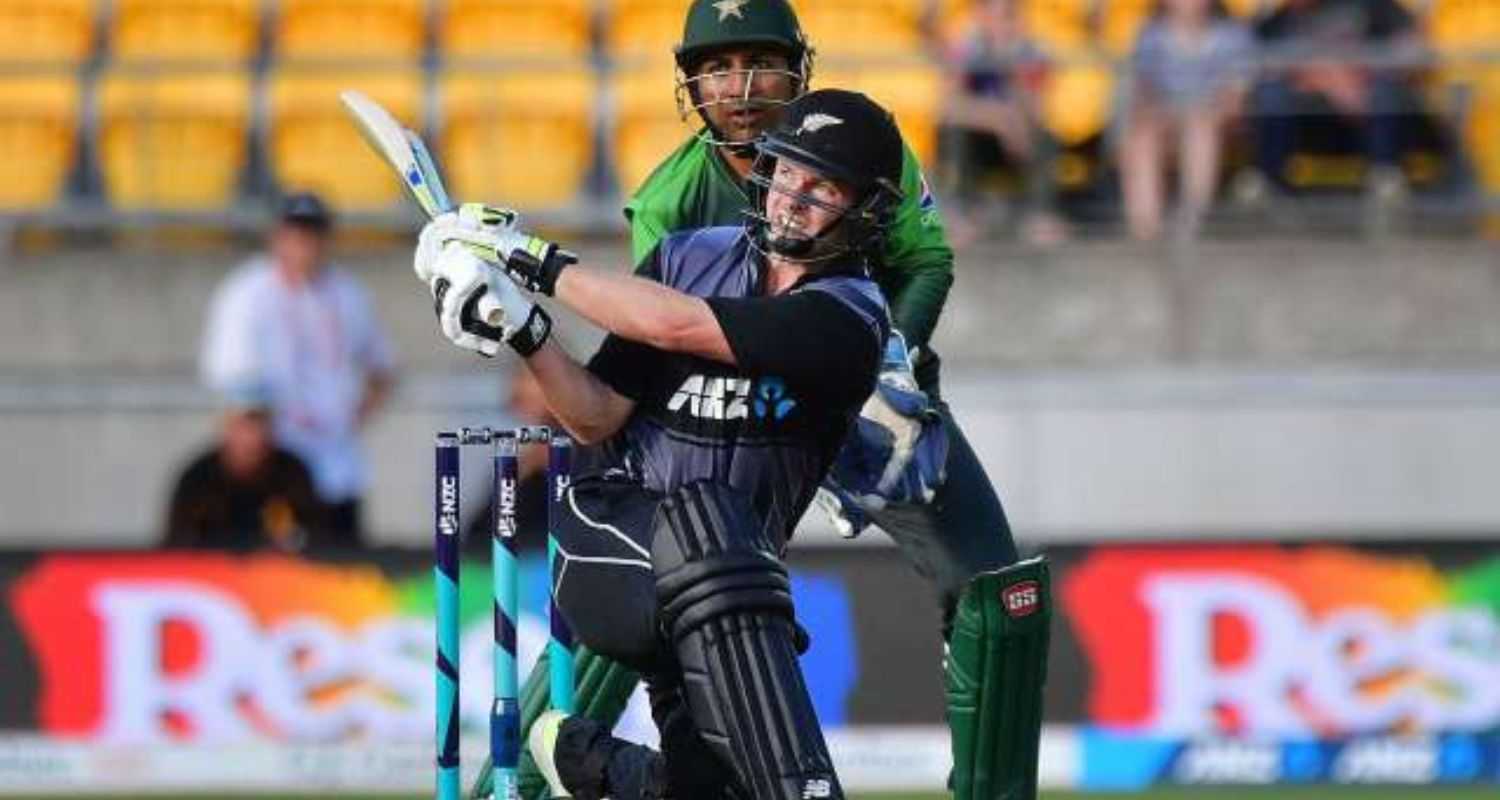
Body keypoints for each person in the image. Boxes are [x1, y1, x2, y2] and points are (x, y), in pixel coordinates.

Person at [476, 2, 1052, 799]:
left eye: (761, 64)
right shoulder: (671, 205)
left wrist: (895, 361)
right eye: (717, 68)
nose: (741, 87)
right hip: (723, 413)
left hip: (872, 388)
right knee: (692, 557)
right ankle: (549, 771)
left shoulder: (868, 144)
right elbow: (660, 344)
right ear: (690, 82)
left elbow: (925, 263)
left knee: (1001, 587)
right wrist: (529, 326)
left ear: (799, 69)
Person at [418, 89, 901, 800]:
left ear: (863, 211)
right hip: (608, 538)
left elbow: (679, 328)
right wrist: (525, 330)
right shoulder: (684, 258)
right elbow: (594, 415)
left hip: (727, 596)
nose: (791, 199)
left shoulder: (848, 319)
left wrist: (527, 258)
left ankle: (606, 770)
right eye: (787, 172)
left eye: (821, 187)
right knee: (709, 519)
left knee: (709, 789)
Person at [199, 192, 397, 544]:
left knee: (342, 567)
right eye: (296, 232)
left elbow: (383, 370)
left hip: (338, 465)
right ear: (276, 235)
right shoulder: (246, 294)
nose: (304, 243)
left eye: (313, 233)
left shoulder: (348, 294)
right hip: (276, 469)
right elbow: (230, 384)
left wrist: (351, 417)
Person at [1244, 0, 1424, 222]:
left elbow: (1410, 47)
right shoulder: (1280, 17)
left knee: (1385, 90)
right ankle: (1269, 183)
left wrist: (1362, 75)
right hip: (1307, 124)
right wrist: (1326, 78)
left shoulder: (1373, 6)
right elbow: (1257, 63)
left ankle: (1385, 181)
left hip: (1363, 114)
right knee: (1271, 93)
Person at [1120, 0, 1253, 240]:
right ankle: (1146, 232)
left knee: (1199, 126)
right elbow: (1143, 94)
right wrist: (1160, 116)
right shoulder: (1151, 34)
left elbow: (1235, 99)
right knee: (1142, 138)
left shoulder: (1233, 35)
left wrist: (1201, 112)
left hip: (1220, 124)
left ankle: (1191, 224)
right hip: (1167, 121)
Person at [938, 0, 1066, 246]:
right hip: (983, 138)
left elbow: (1037, 111)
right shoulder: (965, 49)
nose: (999, 25)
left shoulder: (1033, 51)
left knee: (1046, 136)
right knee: (954, 133)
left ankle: (1040, 214)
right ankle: (960, 214)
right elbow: (949, 108)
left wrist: (1012, 70)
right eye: (993, 16)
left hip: (1020, 141)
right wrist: (1000, 119)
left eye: (1008, 16)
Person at [163, 383, 329, 552]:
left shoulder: (293, 474)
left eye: (261, 425)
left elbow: (316, 540)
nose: (254, 436)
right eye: (244, 426)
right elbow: (178, 546)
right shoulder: (197, 481)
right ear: (226, 428)